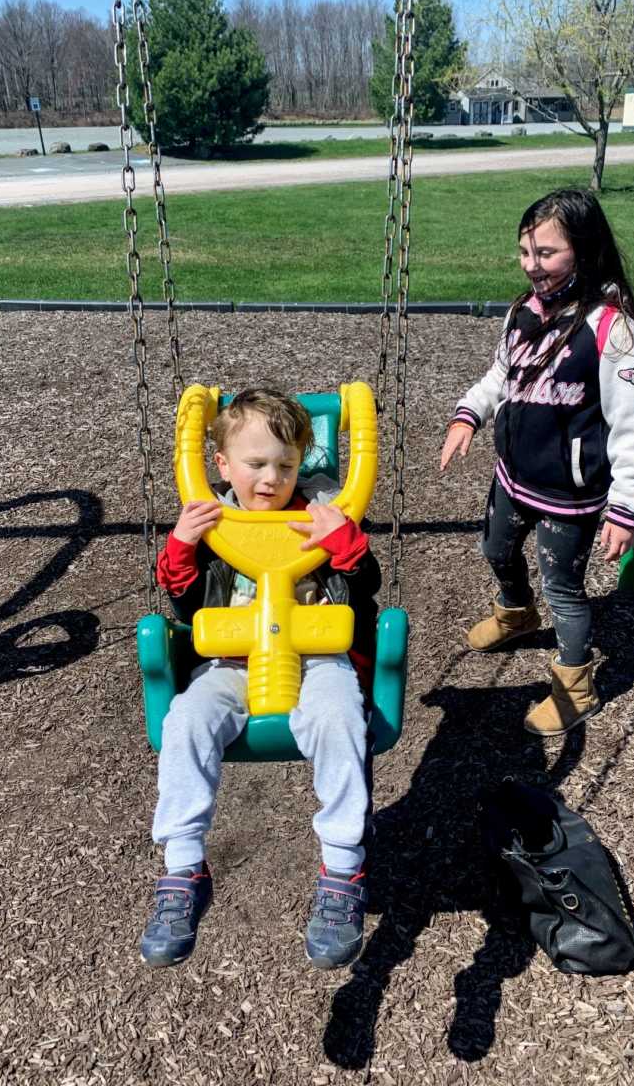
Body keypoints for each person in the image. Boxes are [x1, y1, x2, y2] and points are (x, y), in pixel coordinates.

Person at [140, 387, 380, 971]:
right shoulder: (215, 517)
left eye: (286, 464)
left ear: (302, 463)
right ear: (220, 466)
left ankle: (344, 865)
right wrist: (183, 546)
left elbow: (365, 593)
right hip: (231, 664)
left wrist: (345, 545)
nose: (271, 478)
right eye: (255, 465)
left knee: (340, 715)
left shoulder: (322, 514)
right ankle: (183, 866)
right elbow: (186, 604)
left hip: (315, 658)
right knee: (188, 719)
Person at [440, 188, 634, 737]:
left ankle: (574, 684)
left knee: (563, 586)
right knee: (495, 548)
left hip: (571, 493)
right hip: (515, 475)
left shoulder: (613, 329)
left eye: (546, 254)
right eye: (524, 253)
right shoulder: (522, 312)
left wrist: (626, 507)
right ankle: (516, 611)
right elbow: (501, 376)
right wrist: (470, 415)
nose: (532, 266)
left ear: (582, 251)